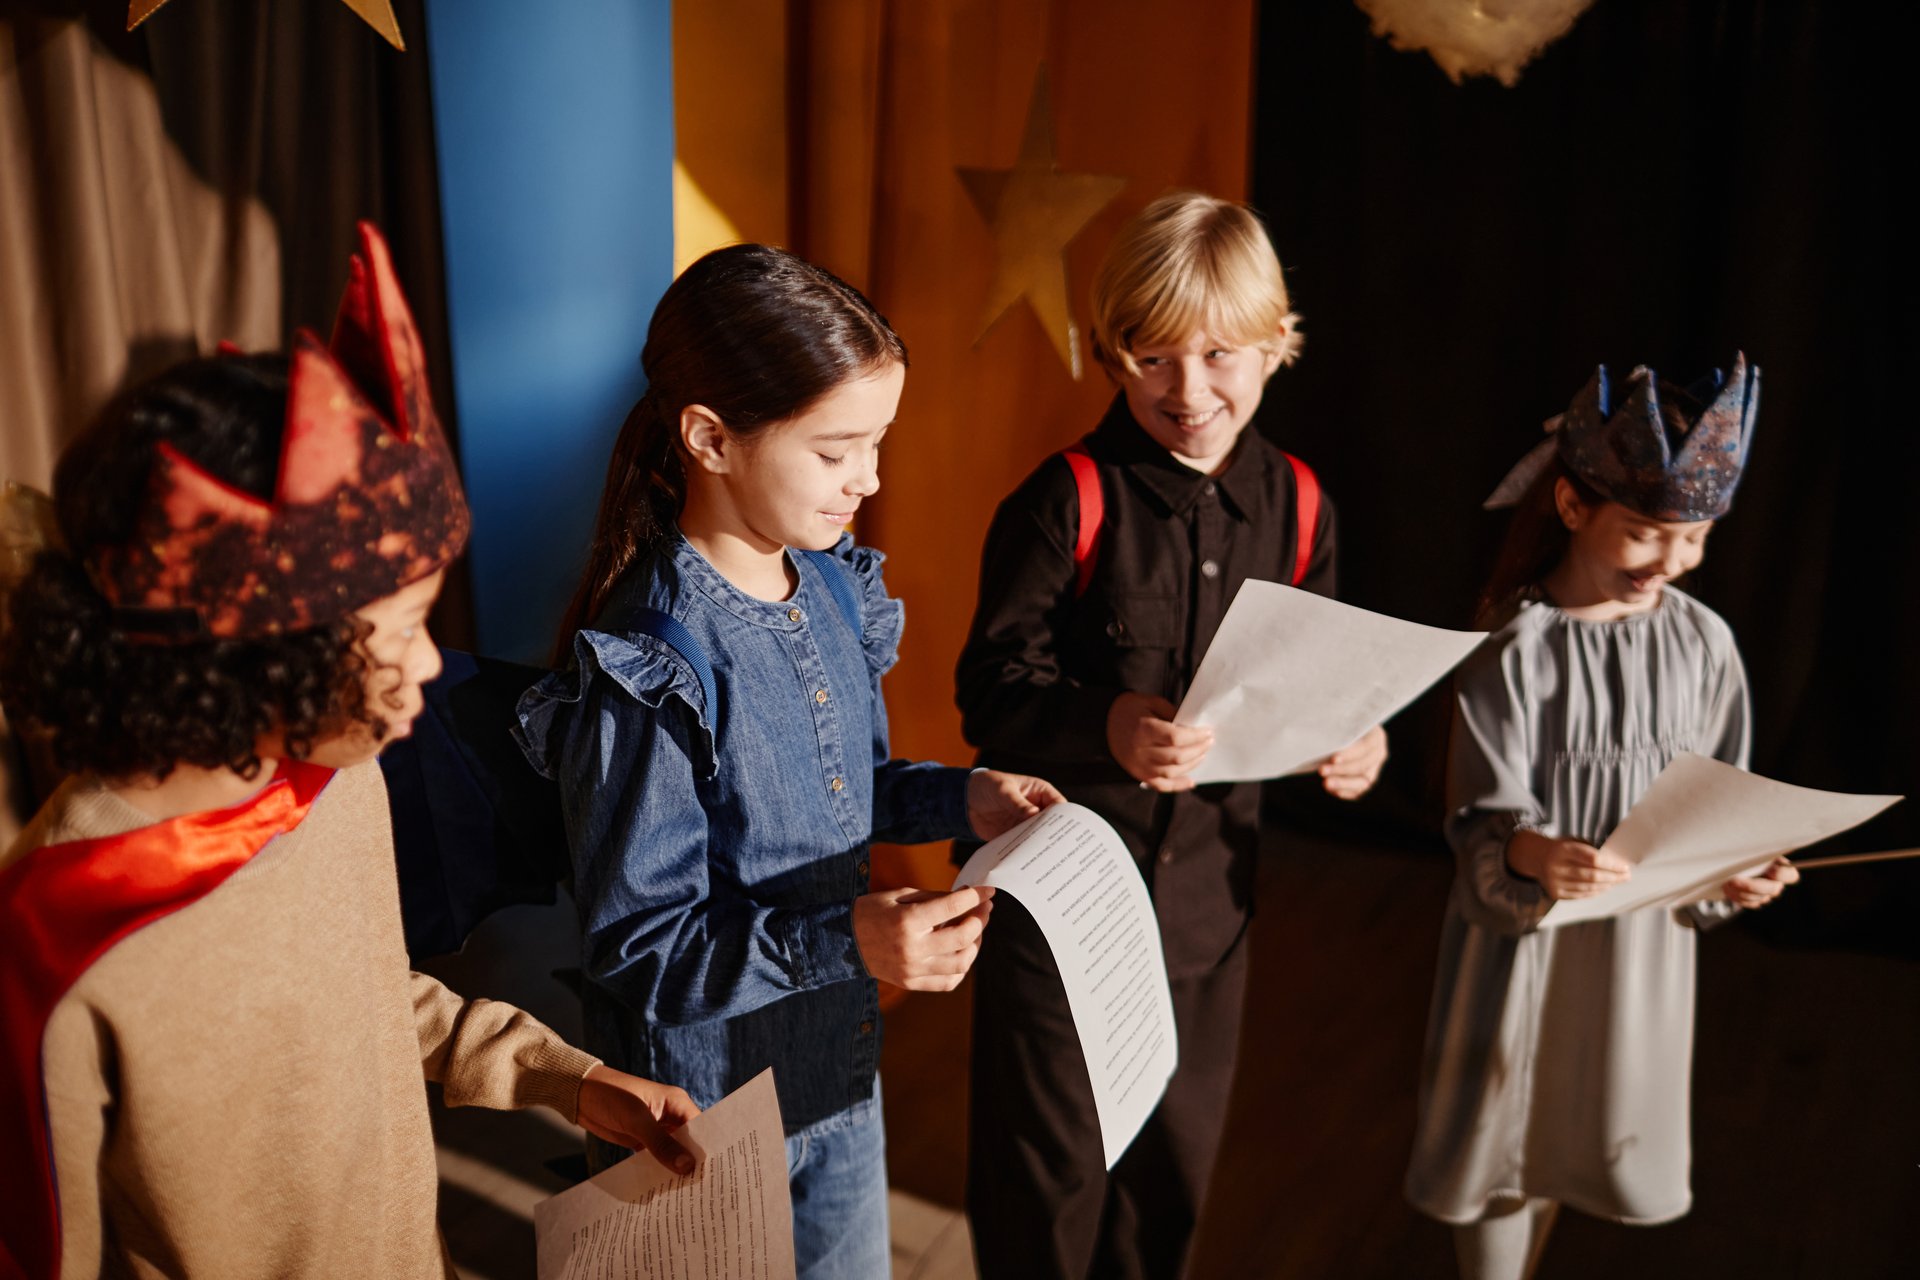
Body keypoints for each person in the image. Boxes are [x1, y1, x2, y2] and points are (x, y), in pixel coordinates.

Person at [0, 223, 698, 1280]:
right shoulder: (62, 935)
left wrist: (563, 1075)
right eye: (400, 626)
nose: (432, 663)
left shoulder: (335, 774)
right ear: (272, 645)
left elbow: (366, 1006)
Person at [516, 242, 1063, 1279]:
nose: (871, 478)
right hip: (701, 1117)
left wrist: (966, 796)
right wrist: (849, 937)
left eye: (878, 442)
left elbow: (853, 790)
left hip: (839, 1076)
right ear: (711, 438)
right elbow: (644, 951)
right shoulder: (649, 663)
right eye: (837, 449)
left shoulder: (836, 591)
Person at [954, 191, 1389, 1279]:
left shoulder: (1300, 503)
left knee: (1167, 1191)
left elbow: (1310, 690)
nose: (1188, 391)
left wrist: (1351, 740)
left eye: (1220, 353)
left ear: (1278, 345)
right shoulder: (1066, 500)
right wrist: (1106, 719)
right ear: (1110, 353)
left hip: (1206, 929)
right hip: (1058, 919)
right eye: (1152, 357)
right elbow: (989, 690)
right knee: (1045, 1194)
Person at [1403, 354, 1799, 1280]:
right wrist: (1538, 855)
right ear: (1576, 507)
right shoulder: (1517, 650)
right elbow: (1481, 822)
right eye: (1643, 535)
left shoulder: (1705, 647)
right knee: (1508, 1136)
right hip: (1528, 947)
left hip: (1639, 953)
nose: (1670, 564)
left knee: (1584, 1128)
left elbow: (1720, 805)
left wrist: (1737, 871)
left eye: (1695, 540)